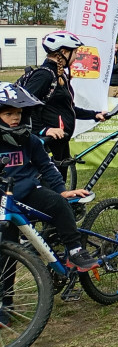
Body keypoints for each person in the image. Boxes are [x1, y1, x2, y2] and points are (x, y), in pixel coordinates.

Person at [0, 83, 100, 271]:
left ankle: (75, 250)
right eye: (8, 114)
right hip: (5, 201)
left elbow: (47, 167)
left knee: (58, 203)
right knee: (7, 250)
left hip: (28, 192)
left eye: (18, 113)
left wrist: (62, 191)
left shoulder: (29, 140)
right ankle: (6, 299)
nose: (15, 118)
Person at [22, 31, 108, 182]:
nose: (76, 57)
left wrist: (94, 114)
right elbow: (25, 105)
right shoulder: (45, 75)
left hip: (60, 142)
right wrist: (45, 129)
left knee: (59, 185)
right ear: (63, 52)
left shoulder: (59, 75)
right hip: (47, 142)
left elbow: (66, 108)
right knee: (50, 188)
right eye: (75, 52)